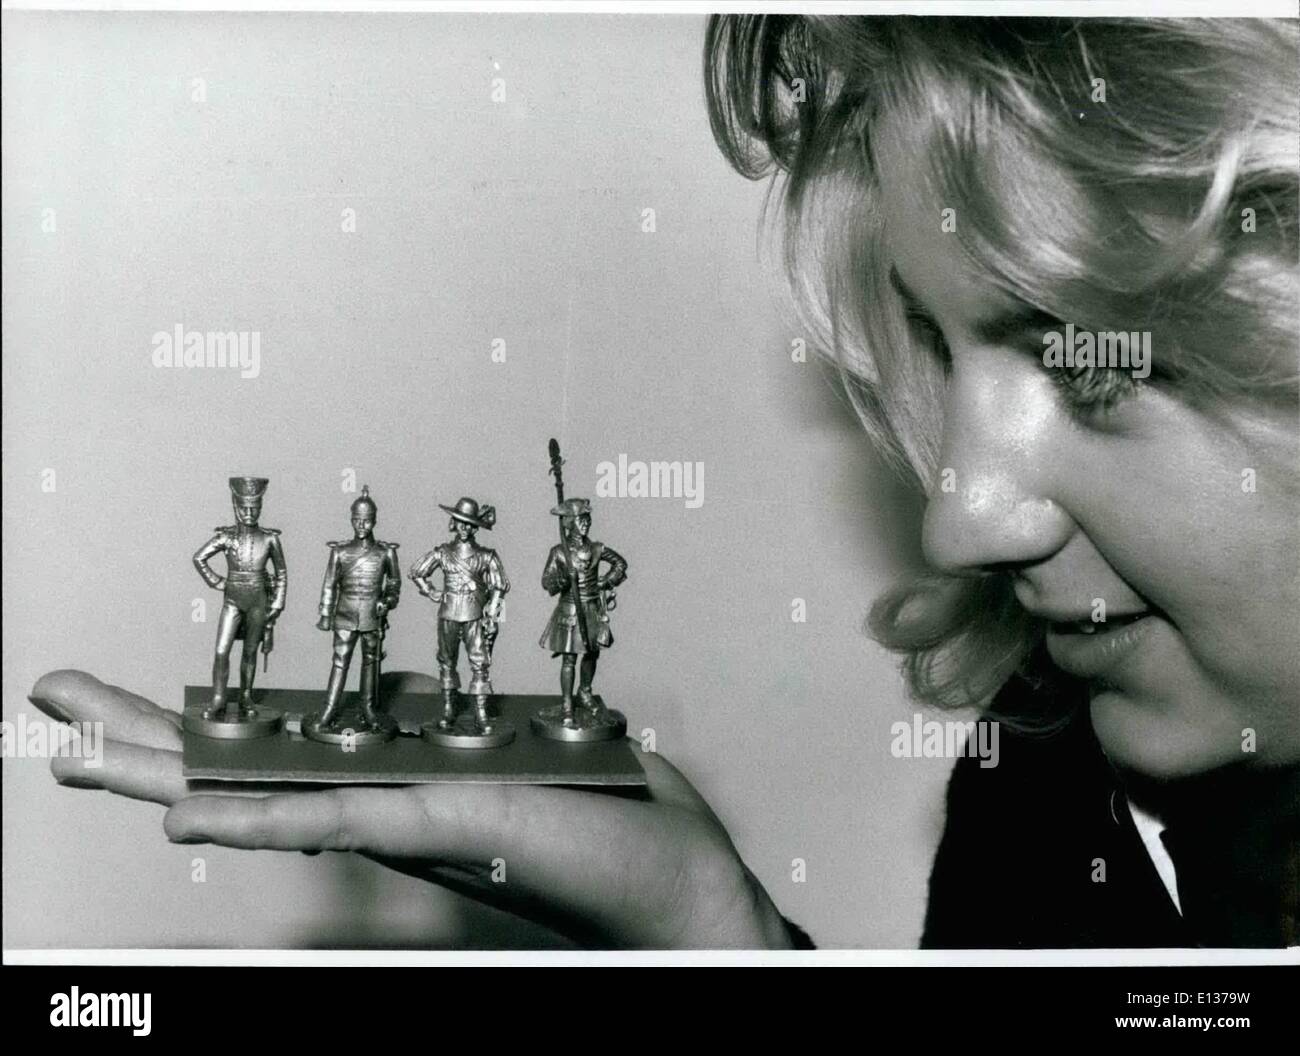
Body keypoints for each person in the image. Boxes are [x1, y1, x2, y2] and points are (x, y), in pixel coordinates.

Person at [30, 15, 1298, 948]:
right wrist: (711, 924)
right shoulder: (1038, 781)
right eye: (937, 345)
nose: (956, 516)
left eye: (1084, 365)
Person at [408, 497, 509, 734]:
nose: (464, 528)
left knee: (480, 663)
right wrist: (430, 591)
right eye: (460, 522)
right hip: (449, 612)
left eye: (468, 524)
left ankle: (481, 711)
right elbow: (417, 571)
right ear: (454, 523)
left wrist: (493, 615)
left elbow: (499, 587)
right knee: (446, 662)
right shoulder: (443, 552)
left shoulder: (487, 556)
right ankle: (448, 708)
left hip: (475, 614)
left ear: (475, 527)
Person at [192, 476, 287, 722]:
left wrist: (277, 603)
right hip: (232, 600)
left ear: (260, 509)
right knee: (222, 651)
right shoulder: (227, 537)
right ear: (235, 508)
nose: (248, 513)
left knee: (250, 652)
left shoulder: (269, 539)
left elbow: (281, 573)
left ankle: (245, 696)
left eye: (254, 509)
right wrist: (217, 581)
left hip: (258, 601)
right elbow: (199, 557)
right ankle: (219, 698)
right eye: (244, 508)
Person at [311, 487, 401, 735]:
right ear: (351, 520)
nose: (362, 525)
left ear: (375, 520)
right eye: (358, 520)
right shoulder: (339, 552)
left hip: (373, 614)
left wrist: (388, 601)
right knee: (340, 662)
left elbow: (394, 584)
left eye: (367, 520)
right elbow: (329, 584)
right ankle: (329, 709)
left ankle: (369, 710)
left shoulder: (386, 552)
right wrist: (326, 614)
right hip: (345, 613)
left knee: (371, 663)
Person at [539, 498, 627, 728]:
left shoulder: (596, 549)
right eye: (580, 519)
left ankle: (585, 692)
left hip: (591, 608)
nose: (585, 523)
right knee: (569, 657)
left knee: (592, 653)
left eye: (587, 518)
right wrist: (563, 579)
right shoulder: (559, 552)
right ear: (569, 523)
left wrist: (604, 583)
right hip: (569, 609)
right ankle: (567, 704)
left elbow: (620, 564)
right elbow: (547, 583)